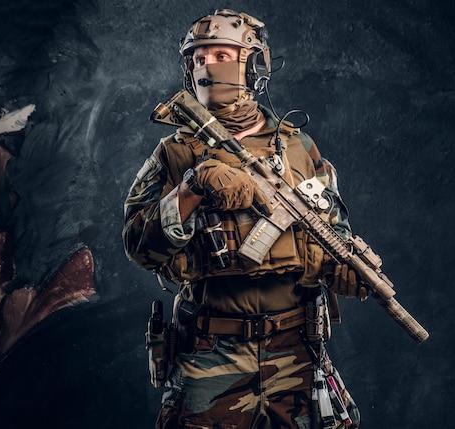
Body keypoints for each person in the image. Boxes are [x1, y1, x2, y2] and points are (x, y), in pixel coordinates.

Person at [123, 9, 368, 429]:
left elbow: (333, 229)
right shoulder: (175, 153)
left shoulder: (297, 148)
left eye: (220, 55)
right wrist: (192, 187)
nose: (206, 67)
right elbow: (138, 246)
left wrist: (346, 270)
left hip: (297, 348)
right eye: (197, 59)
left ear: (252, 64)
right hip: (209, 353)